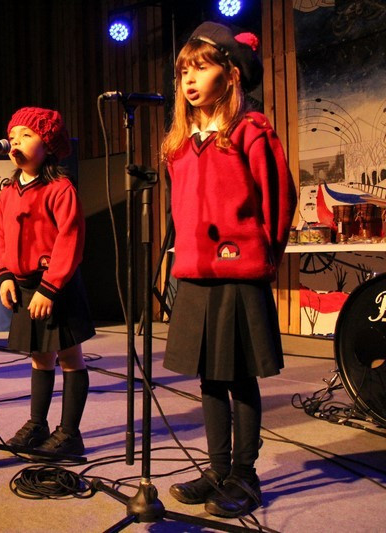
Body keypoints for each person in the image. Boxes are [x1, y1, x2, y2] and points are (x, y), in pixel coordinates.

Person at [161, 22, 297, 518]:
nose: (189, 80)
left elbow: (279, 199)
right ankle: (217, 470)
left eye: (201, 68)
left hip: (238, 275)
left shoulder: (250, 130)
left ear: (231, 73)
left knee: (240, 376)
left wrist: (261, 256)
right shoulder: (180, 142)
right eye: (184, 72)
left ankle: (245, 474)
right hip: (196, 275)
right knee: (210, 378)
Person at [0, 107, 94, 457]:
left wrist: (50, 287)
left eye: (26, 135)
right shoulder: (9, 192)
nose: (16, 142)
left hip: (55, 285)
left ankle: (70, 433)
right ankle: (38, 423)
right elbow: (1, 235)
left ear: (48, 144)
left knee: (69, 356)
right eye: (13, 136)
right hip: (23, 284)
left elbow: (70, 238)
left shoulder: (60, 188)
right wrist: (5, 274)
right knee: (39, 356)